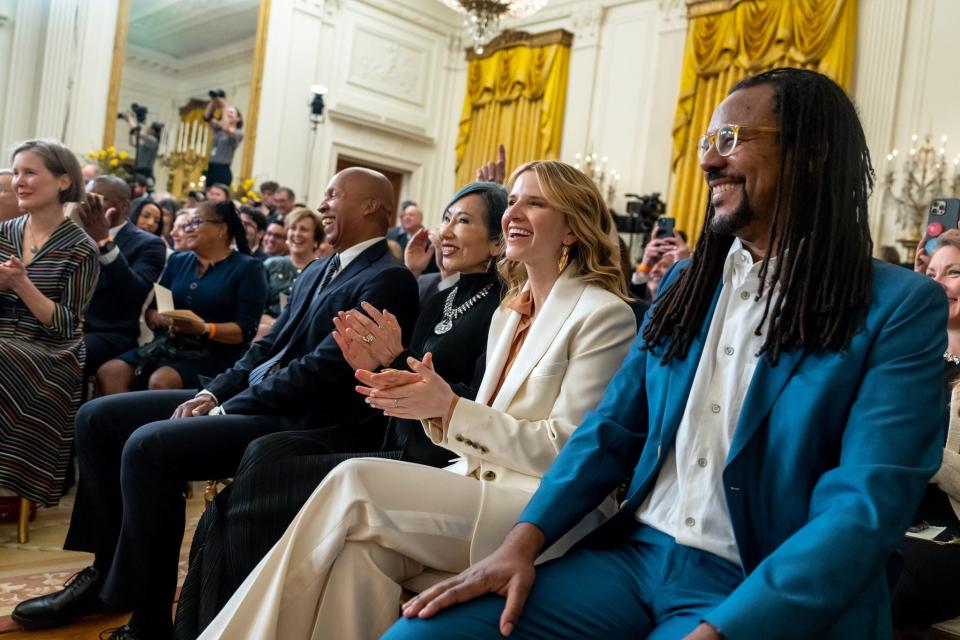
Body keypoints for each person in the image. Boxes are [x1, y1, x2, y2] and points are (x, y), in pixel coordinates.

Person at [385, 68, 947, 640]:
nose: (707, 162)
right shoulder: (687, 282)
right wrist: (521, 543)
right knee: (419, 634)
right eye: (708, 142)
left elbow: (863, 507)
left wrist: (724, 630)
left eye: (731, 140)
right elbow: (610, 429)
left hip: (759, 584)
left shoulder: (897, 307)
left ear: (811, 154)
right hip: (635, 560)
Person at [196, 160, 637, 640]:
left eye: (535, 202)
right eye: (512, 200)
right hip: (471, 481)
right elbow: (475, 423)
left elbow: (568, 451)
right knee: (360, 557)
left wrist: (448, 408)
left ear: (572, 226)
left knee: (354, 479)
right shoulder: (508, 314)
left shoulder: (604, 315)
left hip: (536, 511)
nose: (514, 212)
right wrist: (424, 403)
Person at [11, 167, 419, 640]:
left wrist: (229, 407)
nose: (323, 205)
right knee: (98, 417)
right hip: (260, 399)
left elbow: (323, 372)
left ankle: (148, 623)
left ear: (371, 205)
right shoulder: (320, 269)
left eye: (333, 195)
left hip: (305, 419)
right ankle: (104, 574)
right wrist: (213, 392)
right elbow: (264, 349)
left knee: (149, 447)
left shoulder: (389, 280)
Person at [173, 181, 508, 638]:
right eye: (446, 218)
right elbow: (398, 376)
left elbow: (473, 399)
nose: (445, 231)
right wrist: (377, 365)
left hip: (432, 454)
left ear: (497, 241)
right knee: (264, 455)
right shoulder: (440, 295)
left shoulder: (501, 308)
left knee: (261, 483)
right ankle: (199, 624)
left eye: (463, 221)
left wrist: (391, 361)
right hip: (390, 432)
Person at [0, 139, 99, 506]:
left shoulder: (81, 247)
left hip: (49, 349)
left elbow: (66, 326)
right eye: (16, 173)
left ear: (62, 181)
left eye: (30, 172)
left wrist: (22, 284)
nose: (18, 182)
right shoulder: (4, 232)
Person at [95, 200, 266, 394]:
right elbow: (151, 310)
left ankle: (153, 425)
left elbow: (244, 331)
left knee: (161, 380)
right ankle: (122, 425)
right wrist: (159, 317)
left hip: (215, 354)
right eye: (186, 225)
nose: (187, 230)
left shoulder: (248, 268)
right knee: (110, 372)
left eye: (195, 223)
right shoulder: (178, 261)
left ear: (222, 228)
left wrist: (203, 328)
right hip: (169, 345)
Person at [891, 229, 960, 629]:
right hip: (890, 517)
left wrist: (926, 452)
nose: (937, 284)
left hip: (950, 538)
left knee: (880, 586)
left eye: (953, 272)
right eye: (930, 273)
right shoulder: (910, 357)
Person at [79, 176, 166, 376]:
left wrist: (104, 242)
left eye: (97, 198)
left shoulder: (148, 243)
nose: (88, 204)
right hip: (67, 324)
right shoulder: (75, 233)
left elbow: (135, 291)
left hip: (109, 333)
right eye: (86, 198)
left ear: (123, 206)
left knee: (67, 353)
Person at [257, 208, 321, 338]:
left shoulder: (324, 271)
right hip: (266, 332)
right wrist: (273, 324)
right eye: (293, 228)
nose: (297, 233)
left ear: (316, 238)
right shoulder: (271, 265)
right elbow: (256, 305)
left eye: (304, 229)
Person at [631, 232, 691, 300]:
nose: (655, 270)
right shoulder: (640, 302)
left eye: (664, 266)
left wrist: (683, 264)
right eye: (651, 266)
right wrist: (645, 265)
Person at [203, 98, 243, 187]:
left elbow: (226, 128)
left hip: (222, 169)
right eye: (227, 112)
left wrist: (225, 106)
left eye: (232, 112)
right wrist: (213, 102)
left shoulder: (238, 133)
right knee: (208, 193)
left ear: (238, 119)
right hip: (211, 167)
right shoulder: (218, 130)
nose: (228, 113)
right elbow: (207, 117)